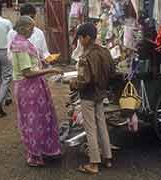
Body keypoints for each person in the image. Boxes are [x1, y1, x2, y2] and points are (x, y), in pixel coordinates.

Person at [10, 15, 61, 166]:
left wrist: (42, 63)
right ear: (23, 28)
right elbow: (27, 72)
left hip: (31, 88)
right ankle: (35, 155)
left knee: (39, 119)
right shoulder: (22, 45)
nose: (33, 30)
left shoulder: (20, 42)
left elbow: (30, 66)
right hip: (29, 89)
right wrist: (49, 70)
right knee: (34, 121)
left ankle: (43, 150)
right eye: (31, 28)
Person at [70, 22, 113, 174]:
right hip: (101, 94)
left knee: (90, 128)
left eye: (80, 38)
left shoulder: (85, 57)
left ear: (87, 37)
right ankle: (108, 158)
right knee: (102, 125)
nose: (80, 41)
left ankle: (93, 163)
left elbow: (84, 81)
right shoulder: (105, 51)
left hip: (88, 96)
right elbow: (112, 71)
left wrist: (72, 84)